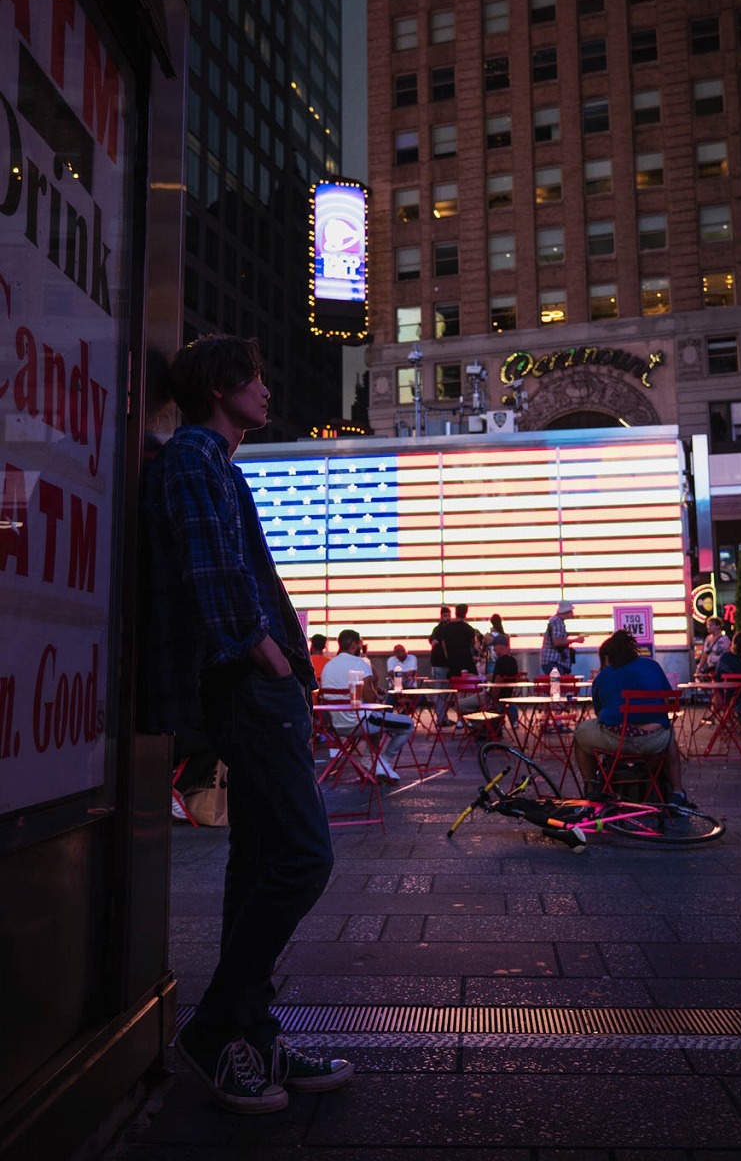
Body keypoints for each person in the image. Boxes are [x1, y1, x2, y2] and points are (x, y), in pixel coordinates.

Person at [141, 334, 353, 1114]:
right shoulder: (196, 460)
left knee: (262, 859)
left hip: (251, 686)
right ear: (222, 386)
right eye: (254, 378)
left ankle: (251, 1034)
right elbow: (217, 579)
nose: (264, 390)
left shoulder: (212, 464)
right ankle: (213, 1030)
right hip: (242, 685)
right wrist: (272, 662)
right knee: (302, 857)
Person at [572, 630, 687, 805]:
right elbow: (666, 700)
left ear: (607, 658)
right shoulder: (652, 666)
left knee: (580, 734)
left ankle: (591, 787)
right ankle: (677, 792)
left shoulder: (604, 676)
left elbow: (599, 712)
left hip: (617, 740)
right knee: (668, 733)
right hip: (654, 741)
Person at [320, 629, 414, 781]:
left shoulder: (328, 666)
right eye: (360, 644)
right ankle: (381, 761)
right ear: (355, 644)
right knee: (408, 724)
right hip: (360, 722)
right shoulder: (360, 663)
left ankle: (370, 760)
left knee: (377, 720)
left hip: (335, 725)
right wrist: (377, 694)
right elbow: (370, 701)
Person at [540, 600, 585, 676]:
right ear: (566, 612)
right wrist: (575, 640)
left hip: (551, 661)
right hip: (554, 661)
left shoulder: (554, 620)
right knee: (557, 685)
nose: (572, 614)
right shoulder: (558, 622)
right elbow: (557, 642)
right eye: (571, 611)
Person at [428, 605, 452, 725]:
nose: (447, 618)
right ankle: (442, 718)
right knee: (441, 693)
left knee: (443, 693)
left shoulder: (439, 629)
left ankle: (443, 717)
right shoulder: (440, 629)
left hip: (442, 665)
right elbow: (433, 640)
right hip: (441, 665)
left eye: (449, 615)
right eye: (445, 615)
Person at [489, 633, 519, 732]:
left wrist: (492, 698)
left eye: (494, 647)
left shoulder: (500, 662)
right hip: (508, 695)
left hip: (495, 698)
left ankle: (477, 727)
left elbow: (498, 681)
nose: (493, 649)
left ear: (501, 646)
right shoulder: (513, 661)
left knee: (463, 704)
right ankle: (513, 721)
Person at [695, 616, 731, 681]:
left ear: (718, 626)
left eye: (711, 625)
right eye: (707, 625)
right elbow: (705, 654)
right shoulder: (708, 638)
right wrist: (699, 668)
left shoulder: (724, 639)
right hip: (710, 667)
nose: (709, 627)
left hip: (720, 667)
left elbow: (729, 652)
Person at [481, 613, 506, 677]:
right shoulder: (505, 636)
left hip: (491, 662)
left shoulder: (487, 636)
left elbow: (483, 650)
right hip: (503, 662)